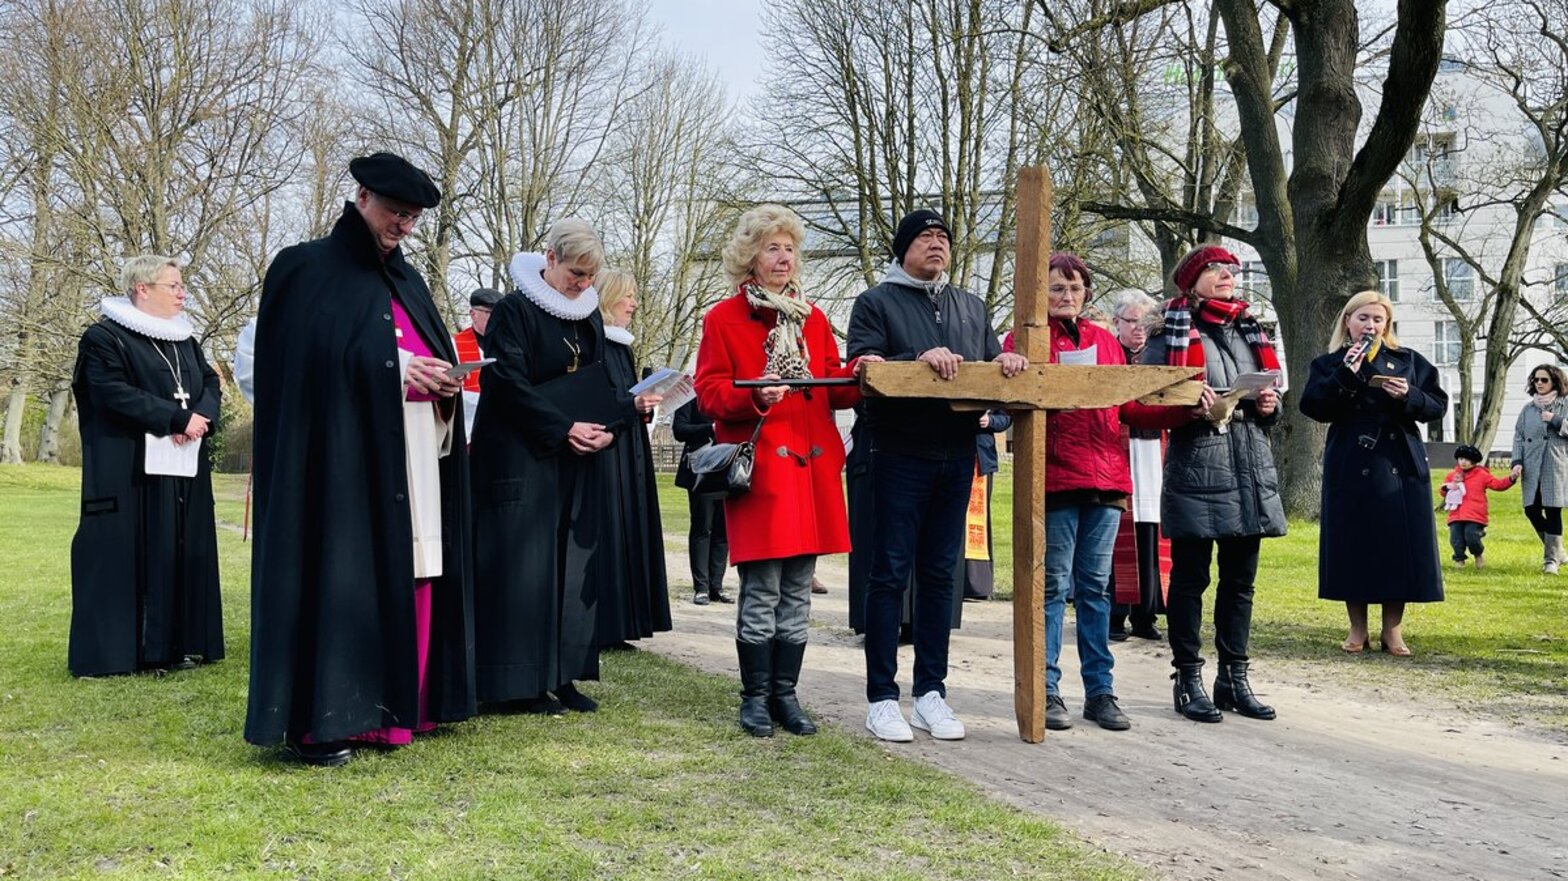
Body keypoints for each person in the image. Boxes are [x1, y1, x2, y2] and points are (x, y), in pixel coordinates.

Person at [245, 152, 476, 766]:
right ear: (361, 196)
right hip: (339, 462)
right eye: (397, 213)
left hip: (413, 451)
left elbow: (426, 352)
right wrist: (398, 370)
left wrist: (443, 382)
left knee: (416, 569)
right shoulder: (305, 268)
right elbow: (296, 369)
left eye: (415, 218)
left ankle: (406, 708)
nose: (405, 227)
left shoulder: (411, 281)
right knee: (341, 577)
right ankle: (329, 720)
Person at [846, 208, 1028, 743]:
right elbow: (865, 370)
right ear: (903, 249)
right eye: (925, 237)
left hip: (957, 457)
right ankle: (882, 697)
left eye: (944, 237)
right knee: (889, 573)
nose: (936, 244)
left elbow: (996, 386)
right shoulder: (875, 303)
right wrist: (917, 357)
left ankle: (931, 693)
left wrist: (1006, 375)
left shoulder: (970, 306)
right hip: (898, 454)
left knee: (940, 575)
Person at [694, 204, 866, 738]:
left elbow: (832, 381)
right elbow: (708, 392)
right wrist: (755, 397)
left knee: (797, 590)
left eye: (790, 248)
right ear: (751, 257)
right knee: (762, 589)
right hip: (763, 470)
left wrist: (858, 374)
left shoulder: (811, 318)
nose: (784, 257)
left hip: (811, 471)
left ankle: (787, 696)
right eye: (773, 247)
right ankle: (755, 697)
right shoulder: (722, 318)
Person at [1004, 256, 1180, 732]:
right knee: (1054, 587)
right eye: (1057, 288)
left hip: (1105, 479)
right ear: (1040, 294)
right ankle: (1046, 688)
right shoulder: (1026, 339)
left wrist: (1181, 412)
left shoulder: (1104, 340)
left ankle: (1100, 690)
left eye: (1075, 288)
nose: (1067, 296)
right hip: (1056, 476)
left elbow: (1130, 408)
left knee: (1097, 590)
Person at [471, 218, 618, 715]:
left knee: (573, 566)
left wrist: (607, 426)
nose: (582, 285)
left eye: (590, 277)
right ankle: (519, 683)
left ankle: (566, 673)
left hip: (576, 456)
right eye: (576, 273)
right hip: (521, 453)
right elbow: (507, 383)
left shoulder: (588, 315)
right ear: (550, 260)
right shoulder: (514, 311)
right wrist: (562, 428)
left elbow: (602, 376)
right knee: (525, 569)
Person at [1139, 245, 1285, 722]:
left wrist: (1269, 407)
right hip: (1198, 466)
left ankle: (1234, 677)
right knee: (1190, 580)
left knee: (1241, 582)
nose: (1227, 276)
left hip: (1248, 467)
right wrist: (1187, 407)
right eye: (1216, 270)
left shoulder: (1251, 329)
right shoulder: (1169, 333)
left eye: (1232, 270)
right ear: (1192, 279)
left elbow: (1271, 400)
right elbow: (1139, 405)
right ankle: (1188, 677)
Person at [69, 254, 224, 677]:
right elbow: (110, 391)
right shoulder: (105, 338)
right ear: (142, 288)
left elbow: (211, 382)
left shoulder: (186, 340)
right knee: (136, 551)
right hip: (131, 471)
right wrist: (174, 418)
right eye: (173, 285)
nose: (183, 292)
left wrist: (200, 419)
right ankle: (133, 652)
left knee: (178, 548)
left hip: (183, 464)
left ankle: (178, 646)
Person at [1300, 289, 1447, 656]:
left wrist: (1409, 396)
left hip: (1398, 460)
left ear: (1387, 324)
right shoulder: (1330, 363)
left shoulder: (1408, 360)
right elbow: (1313, 406)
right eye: (1363, 318)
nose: (1370, 325)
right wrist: (1347, 374)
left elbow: (1437, 405)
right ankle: (1357, 628)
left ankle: (1392, 630)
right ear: (1347, 321)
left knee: (1399, 545)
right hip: (1352, 459)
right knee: (1354, 544)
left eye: (1378, 319)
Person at [594, 268, 672, 646]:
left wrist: (641, 404)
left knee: (629, 530)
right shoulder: (597, 343)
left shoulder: (621, 346)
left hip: (628, 445)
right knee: (611, 531)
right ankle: (608, 623)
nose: (634, 303)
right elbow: (597, 399)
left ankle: (625, 622)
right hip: (609, 452)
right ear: (610, 298)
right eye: (629, 296)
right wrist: (631, 403)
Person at [1107, 289, 1167, 642]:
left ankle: (1147, 615)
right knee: (1119, 533)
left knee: (1151, 531)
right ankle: (1115, 614)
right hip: (1118, 448)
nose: (1139, 329)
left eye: (1145, 322)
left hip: (1154, 449)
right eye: (1132, 321)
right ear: (1117, 322)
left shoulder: (1157, 354)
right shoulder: (1109, 353)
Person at [672, 398, 735, 605]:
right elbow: (679, 430)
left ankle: (716, 586)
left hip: (728, 468)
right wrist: (711, 428)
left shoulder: (729, 392)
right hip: (702, 471)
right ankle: (701, 587)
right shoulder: (690, 394)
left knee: (723, 531)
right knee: (702, 528)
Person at [1509, 363, 1568, 574]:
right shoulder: (1528, 409)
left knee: (1553, 510)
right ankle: (1558, 551)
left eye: (1544, 380)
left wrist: (1556, 420)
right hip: (1532, 466)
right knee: (1531, 510)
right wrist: (1517, 462)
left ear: (1555, 381)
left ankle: (1550, 561)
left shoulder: (1565, 404)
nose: (1539, 384)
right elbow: (1519, 436)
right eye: (1536, 380)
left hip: (1556, 464)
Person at [1440, 444, 1516, 569]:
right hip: (1456, 514)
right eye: (1460, 459)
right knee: (1456, 539)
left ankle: (1478, 554)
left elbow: (1497, 485)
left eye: (1466, 460)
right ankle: (1459, 559)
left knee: (1472, 537)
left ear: (1474, 461)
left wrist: (1511, 479)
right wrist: (1446, 487)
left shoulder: (1482, 474)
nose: (1463, 462)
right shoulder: (1453, 475)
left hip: (1475, 515)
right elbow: (1443, 492)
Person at [452, 287, 503, 442]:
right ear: (473, 314)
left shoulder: (510, 344)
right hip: (468, 430)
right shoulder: (454, 345)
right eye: (490, 313)